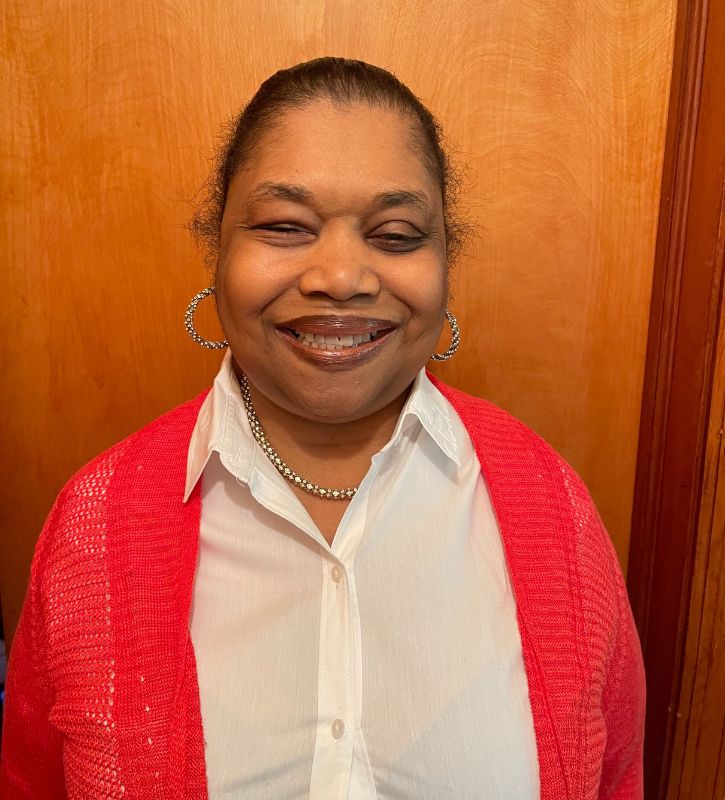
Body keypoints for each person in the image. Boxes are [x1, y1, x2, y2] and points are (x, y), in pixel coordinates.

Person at [0, 57, 645, 799]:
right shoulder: (95, 526)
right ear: (217, 250)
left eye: (396, 234)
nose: (340, 277)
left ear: (445, 263)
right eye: (284, 226)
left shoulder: (552, 511)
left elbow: (617, 776)